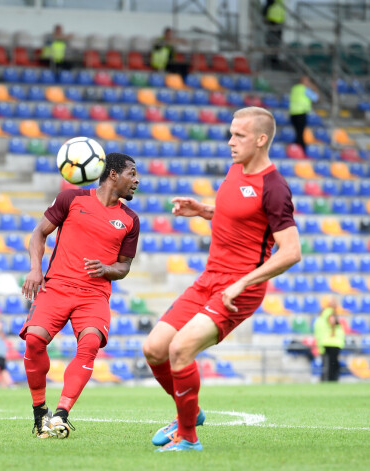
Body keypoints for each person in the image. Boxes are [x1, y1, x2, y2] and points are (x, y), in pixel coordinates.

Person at [142, 106, 302, 452]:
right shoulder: (235, 169)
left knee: (180, 349)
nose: (230, 142)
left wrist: (243, 283)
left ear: (261, 140)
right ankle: (190, 413)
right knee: (154, 349)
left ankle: (188, 438)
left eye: (239, 136)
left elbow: (291, 251)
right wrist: (202, 210)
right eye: (231, 134)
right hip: (210, 278)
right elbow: (238, 215)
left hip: (239, 289)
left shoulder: (274, 187)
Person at [20, 153, 140, 439]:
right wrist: (36, 270)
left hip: (94, 294)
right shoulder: (71, 199)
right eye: (132, 174)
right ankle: (40, 413)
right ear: (113, 174)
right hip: (57, 286)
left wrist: (107, 268)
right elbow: (39, 234)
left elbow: (124, 267)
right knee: (35, 340)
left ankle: (61, 415)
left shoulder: (130, 220)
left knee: (89, 344)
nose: (136, 181)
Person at [314, 299, 345, 382]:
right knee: (332, 365)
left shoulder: (321, 318)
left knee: (327, 365)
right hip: (332, 343)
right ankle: (331, 380)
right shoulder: (330, 314)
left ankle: (326, 379)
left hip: (326, 343)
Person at [289, 75, 319, 152]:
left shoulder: (294, 88)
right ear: (304, 81)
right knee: (300, 134)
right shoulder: (305, 89)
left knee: (298, 133)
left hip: (293, 113)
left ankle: (296, 148)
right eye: (308, 81)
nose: (309, 83)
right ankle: (301, 150)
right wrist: (314, 88)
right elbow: (315, 98)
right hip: (301, 113)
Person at [263, 0, 286, 68]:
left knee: (273, 42)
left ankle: (272, 59)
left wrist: (264, 15)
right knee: (275, 42)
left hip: (275, 21)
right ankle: (273, 60)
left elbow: (266, 8)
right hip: (276, 21)